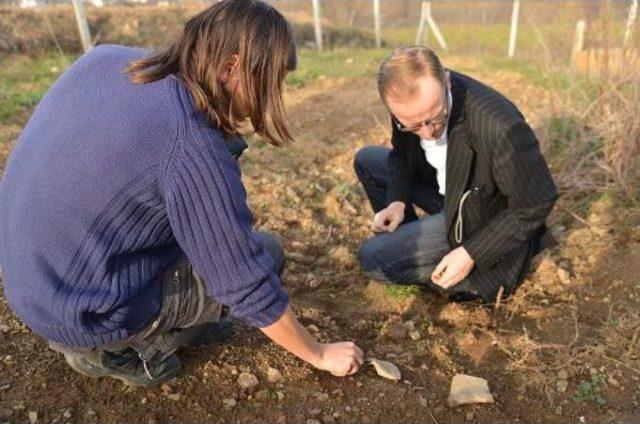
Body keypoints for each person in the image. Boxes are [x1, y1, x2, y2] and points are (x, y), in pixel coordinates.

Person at [0, 0, 362, 387]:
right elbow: (245, 281)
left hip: (27, 279)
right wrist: (319, 353)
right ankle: (121, 349)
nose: (272, 96)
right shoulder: (190, 143)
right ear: (231, 68)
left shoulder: (107, 60)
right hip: (84, 311)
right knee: (267, 254)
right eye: (270, 82)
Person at [354, 46, 558, 303]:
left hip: (482, 218)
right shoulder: (408, 102)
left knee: (371, 258)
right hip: (450, 194)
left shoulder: (499, 126)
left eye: (435, 117)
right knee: (367, 160)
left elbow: (537, 201)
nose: (428, 132)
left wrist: (471, 253)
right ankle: (416, 244)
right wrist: (397, 202)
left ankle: (468, 277)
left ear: (447, 81)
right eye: (413, 125)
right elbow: (401, 155)